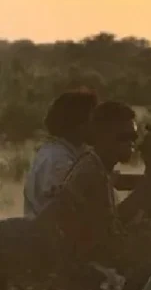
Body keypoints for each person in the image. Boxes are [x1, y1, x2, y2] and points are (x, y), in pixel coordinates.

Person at [39, 101, 151, 290]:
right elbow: (110, 243)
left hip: (104, 252)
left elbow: (111, 223)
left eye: (133, 136)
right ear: (101, 137)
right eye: (123, 137)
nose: (131, 143)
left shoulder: (97, 167)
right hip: (103, 260)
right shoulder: (91, 174)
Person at [23, 89, 99, 219]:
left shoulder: (62, 152)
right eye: (95, 120)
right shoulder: (57, 161)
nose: (99, 127)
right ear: (78, 124)